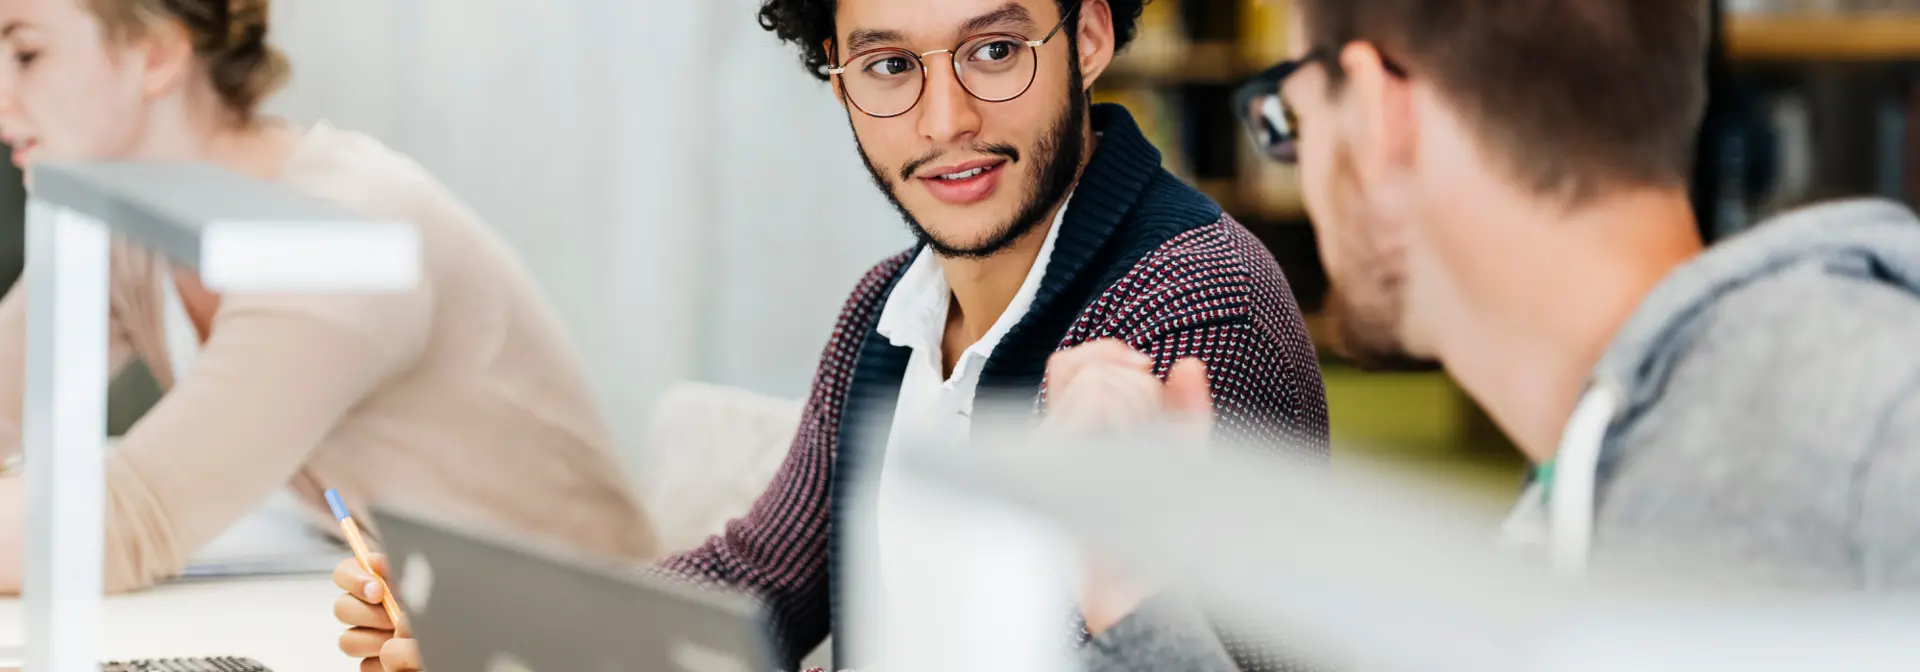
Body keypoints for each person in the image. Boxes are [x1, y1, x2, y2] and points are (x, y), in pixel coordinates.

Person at [331, 0, 1330, 669]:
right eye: (889, 64)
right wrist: (488, 622)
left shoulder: (1191, 310)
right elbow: (759, 584)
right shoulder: (889, 309)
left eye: (994, 49)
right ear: (838, 75)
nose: (945, 119)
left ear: (1091, 35)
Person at [1055, 0, 1920, 662]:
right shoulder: (1587, 493)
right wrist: (1140, 595)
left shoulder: (1863, 436)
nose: (1305, 166)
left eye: (1289, 117)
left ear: (1376, 114)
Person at [0, 0, 661, 595]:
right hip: (387, 601)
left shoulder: (337, 236)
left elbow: (122, 525)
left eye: (27, 54)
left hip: (558, 634)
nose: (2, 94)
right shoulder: (131, 223)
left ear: (157, 57)